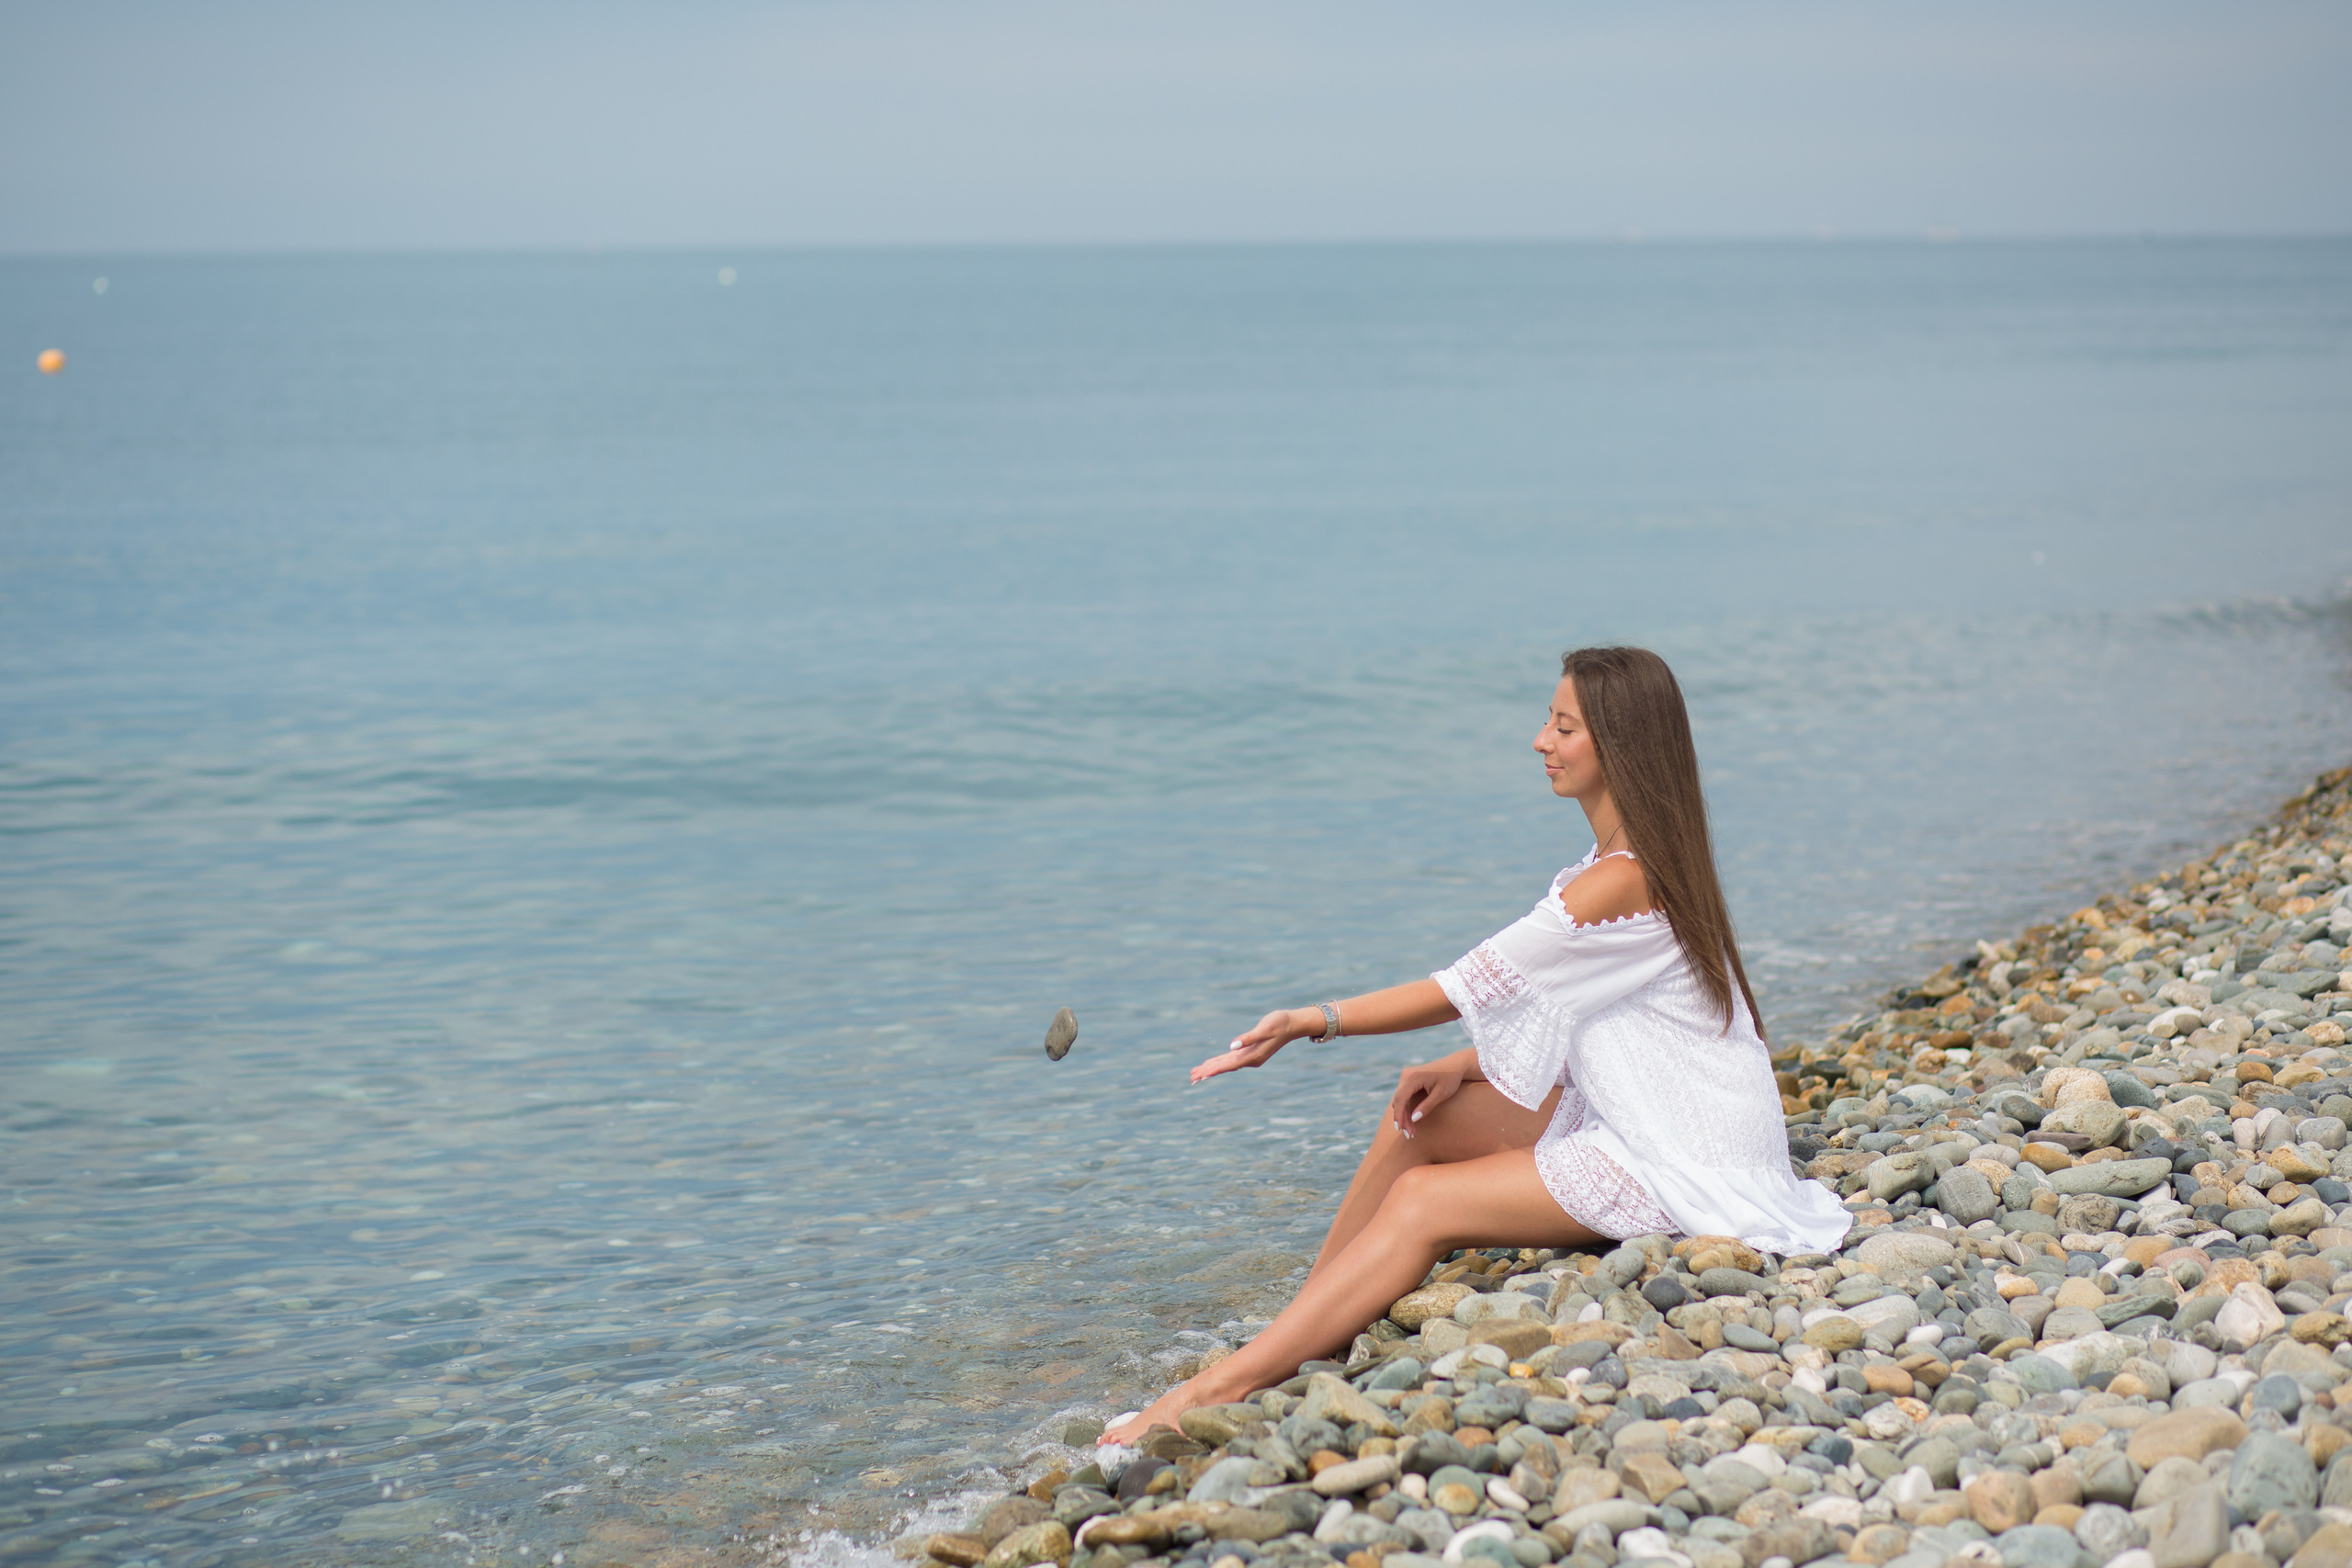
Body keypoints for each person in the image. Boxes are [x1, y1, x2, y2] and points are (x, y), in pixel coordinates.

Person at [1099, 646, 1849, 1447]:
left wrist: (1311, 1019)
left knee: (1424, 1204)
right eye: (1548, 721)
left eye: (1564, 726)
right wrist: (1458, 1063)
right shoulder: (1618, 866)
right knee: (1419, 1116)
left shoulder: (1620, 883)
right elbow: (1577, 1014)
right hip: (1662, 1113)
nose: (1540, 740)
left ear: (1620, 745)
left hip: (1688, 1158)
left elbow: (1466, 984)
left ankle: (1222, 1383)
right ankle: (1304, 1321)